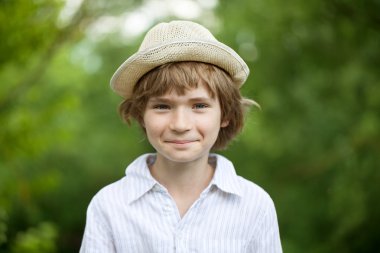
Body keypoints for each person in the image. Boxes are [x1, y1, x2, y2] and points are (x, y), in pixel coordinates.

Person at [80, 20, 282, 253]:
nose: (180, 124)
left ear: (225, 113)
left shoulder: (255, 205)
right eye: (163, 107)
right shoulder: (109, 206)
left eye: (199, 106)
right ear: (141, 115)